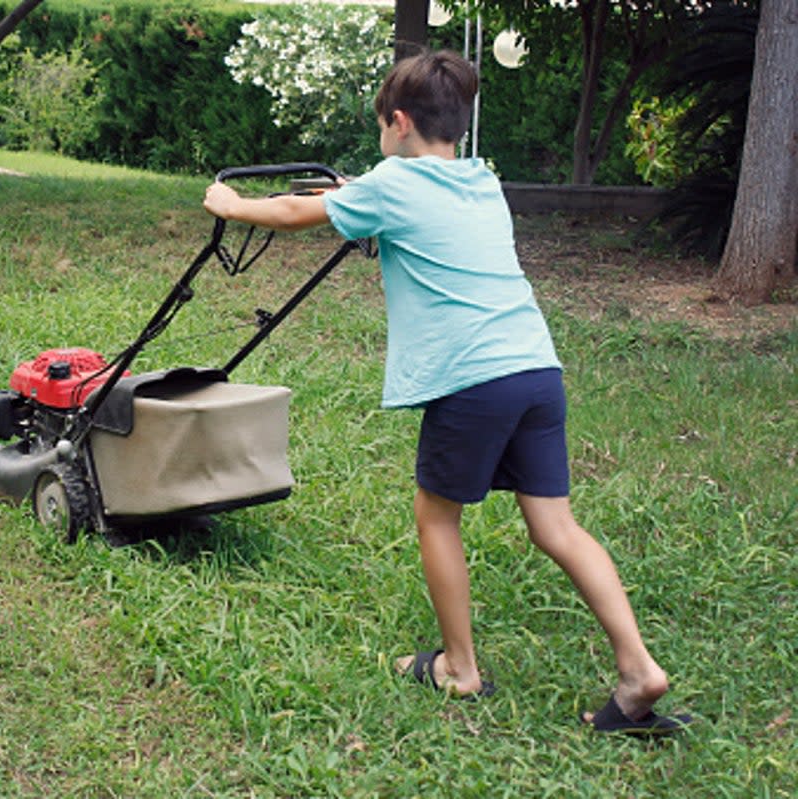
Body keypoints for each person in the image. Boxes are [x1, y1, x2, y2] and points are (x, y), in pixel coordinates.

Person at [203, 49, 690, 735]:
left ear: (398, 123)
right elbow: (376, 198)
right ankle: (639, 668)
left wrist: (230, 202)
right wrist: (348, 190)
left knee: (437, 516)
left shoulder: (391, 185)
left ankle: (458, 667)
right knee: (556, 526)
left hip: (473, 381)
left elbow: (287, 213)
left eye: (381, 125)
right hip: (535, 370)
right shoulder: (480, 179)